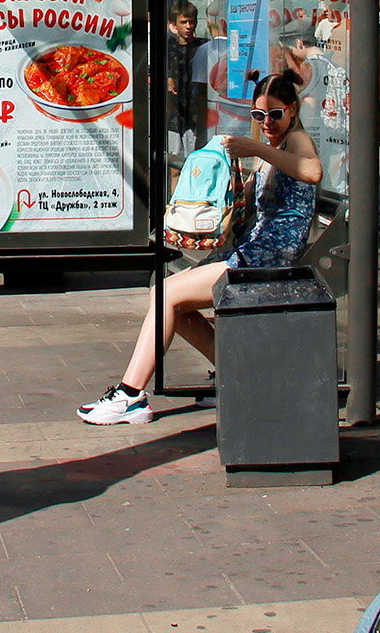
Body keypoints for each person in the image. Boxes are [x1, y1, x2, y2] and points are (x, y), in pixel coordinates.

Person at [79, 72, 322, 425]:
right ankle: (239, 376)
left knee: (166, 296)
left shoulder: (296, 139)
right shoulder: (277, 144)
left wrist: (256, 148)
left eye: (275, 115)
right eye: (258, 116)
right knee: (166, 299)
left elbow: (312, 171)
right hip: (253, 247)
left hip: (270, 255)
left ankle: (131, 396)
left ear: (293, 110)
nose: (267, 123)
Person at [165, 0, 203, 155]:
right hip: (173, 114)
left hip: (195, 115)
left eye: (191, 22)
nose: (188, 26)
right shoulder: (167, 48)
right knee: (174, 165)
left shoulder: (202, 47)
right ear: (174, 25)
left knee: (193, 159)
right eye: (184, 22)